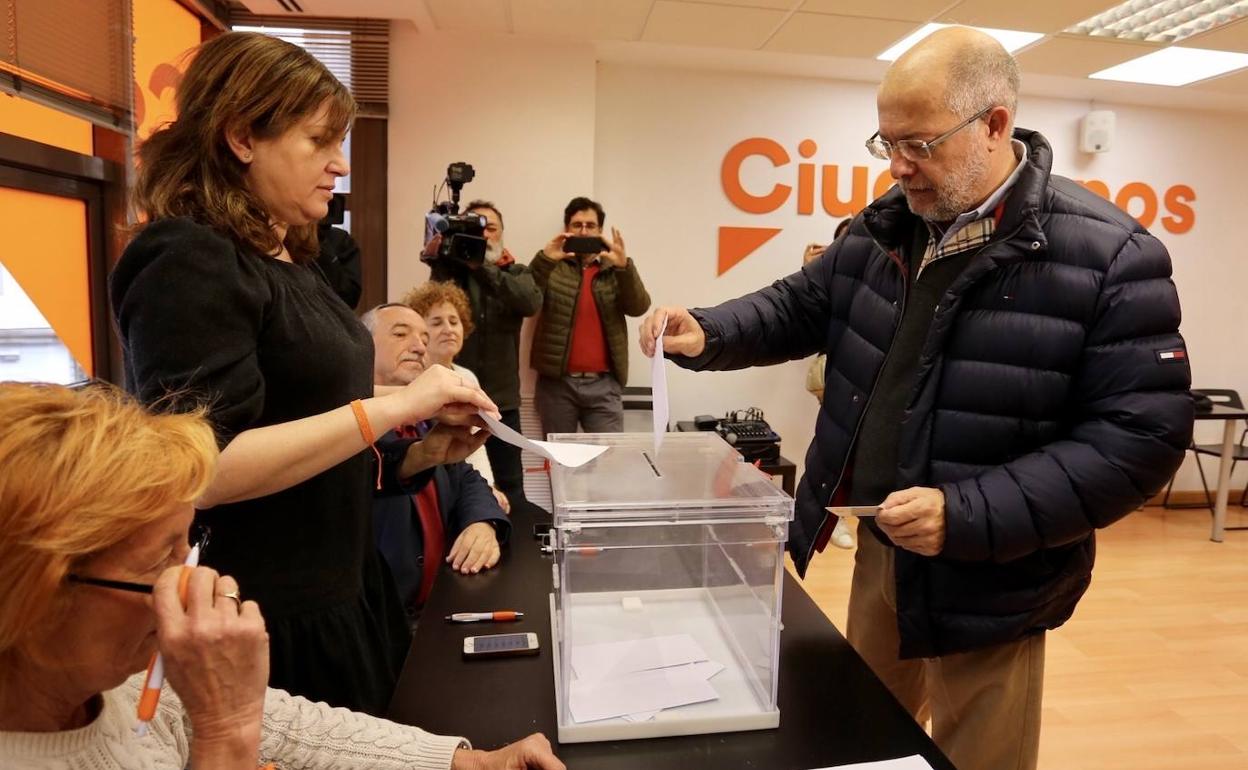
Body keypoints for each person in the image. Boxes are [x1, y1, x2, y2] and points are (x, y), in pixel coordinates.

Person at [640, 27, 1192, 770]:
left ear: (994, 125)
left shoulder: (1112, 256)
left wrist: (965, 514)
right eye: (886, 141)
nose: (898, 165)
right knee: (861, 740)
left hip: (992, 575)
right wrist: (706, 331)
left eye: (919, 143)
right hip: (880, 550)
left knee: (975, 756)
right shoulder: (884, 227)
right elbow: (801, 306)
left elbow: (1138, 440)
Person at [109, 31, 498, 715]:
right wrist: (397, 403)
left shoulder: (291, 258)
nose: (339, 163)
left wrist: (423, 424)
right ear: (240, 137)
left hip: (345, 590)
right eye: (318, 142)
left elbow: (304, 398)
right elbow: (208, 465)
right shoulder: (188, 260)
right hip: (271, 614)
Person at [0, 382, 564, 770]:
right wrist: (225, 731)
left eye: (188, 547)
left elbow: (288, 727)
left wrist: (464, 761)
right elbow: (245, 726)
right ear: (35, 593)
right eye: (156, 565)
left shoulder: (120, 685)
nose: (194, 585)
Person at [363, 303, 511, 618]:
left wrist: (482, 523)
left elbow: (467, 479)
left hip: (436, 613)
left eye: (424, 341)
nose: (419, 348)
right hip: (379, 620)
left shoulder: (428, 424)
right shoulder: (347, 428)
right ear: (361, 347)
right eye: (401, 334)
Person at [428, 199, 540, 503]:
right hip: (456, 400)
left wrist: (483, 268)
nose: (485, 235)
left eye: (490, 228)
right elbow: (434, 307)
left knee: (511, 486)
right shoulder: (452, 274)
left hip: (502, 402)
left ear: (502, 234)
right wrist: (439, 257)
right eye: (476, 229)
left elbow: (529, 302)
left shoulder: (516, 272)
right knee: (455, 482)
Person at [531, 196, 651, 436]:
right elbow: (527, 301)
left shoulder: (614, 268)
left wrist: (623, 266)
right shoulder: (552, 264)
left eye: (590, 226)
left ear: (600, 230)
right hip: (557, 385)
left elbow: (638, 306)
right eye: (577, 225)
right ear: (567, 230)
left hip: (604, 386)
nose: (584, 231)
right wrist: (544, 260)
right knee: (559, 461)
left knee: (609, 460)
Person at [403, 281, 511, 513]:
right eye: (437, 322)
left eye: (454, 322)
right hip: (422, 486)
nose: (449, 329)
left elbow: (476, 442)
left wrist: (488, 487)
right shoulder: (408, 377)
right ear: (420, 333)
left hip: (466, 483)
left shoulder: (466, 376)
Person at [802, 218, 855, 550]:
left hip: (872, 375)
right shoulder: (832, 275)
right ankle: (832, 518)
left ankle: (847, 515)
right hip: (835, 371)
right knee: (835, 448)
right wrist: (810, 273)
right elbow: (814, 321)